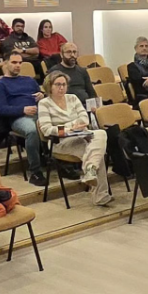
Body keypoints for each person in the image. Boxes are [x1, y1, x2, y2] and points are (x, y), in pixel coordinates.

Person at [38, 71, 112, 206]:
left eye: (64, 84)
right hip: (59, 142)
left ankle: (90, 171)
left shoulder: (72, 98)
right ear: (50, 86)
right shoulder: (44, 103)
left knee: (101, 134)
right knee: (96, 153)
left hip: (80, 135)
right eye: (58, 84)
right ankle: (99, 193)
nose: (61, 88)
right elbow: (47, 129)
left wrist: (73, 127)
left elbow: (84, 118)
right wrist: (69, 128)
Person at [0, 53, 46, 187]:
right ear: (5, 63)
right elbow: (1, 109)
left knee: (60, 122)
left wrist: (42, 95)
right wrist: (23, 110)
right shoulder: (0, 85)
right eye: (14, 62)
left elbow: (41, 95)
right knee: (32, 130)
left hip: (39, 113)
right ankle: (35, 172)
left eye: (20, 63)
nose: (18, 66)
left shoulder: (29, 80)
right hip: (18, 117)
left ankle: (63, 162)